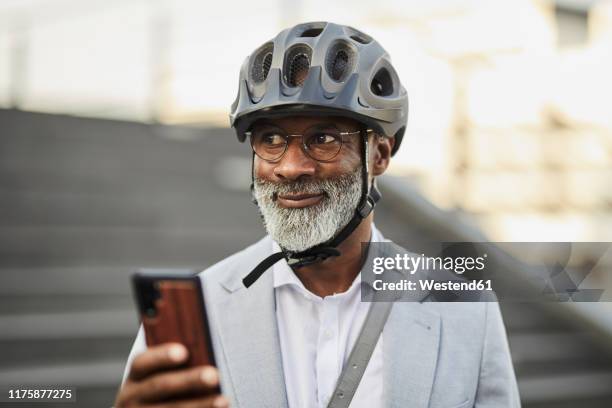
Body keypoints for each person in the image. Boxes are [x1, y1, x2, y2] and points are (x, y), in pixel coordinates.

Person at [114, 21, 520, 408]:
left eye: (323, 139)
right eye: (270, 138)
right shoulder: (192, 310)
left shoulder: (467, 305)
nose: (290, 168)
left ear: (379, 155)